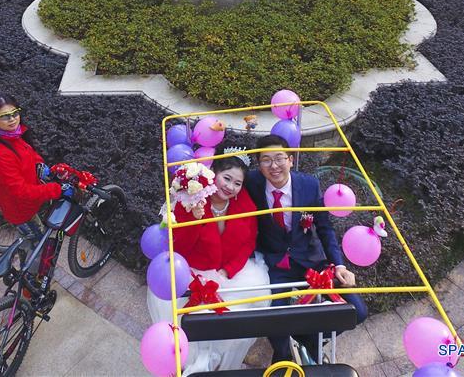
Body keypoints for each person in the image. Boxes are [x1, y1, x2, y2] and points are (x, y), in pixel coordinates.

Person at [244, 135, 367, 363]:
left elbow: (324, 227)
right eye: (266, 160)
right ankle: (282, 355)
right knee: (273, 317)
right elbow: (223, 183)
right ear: (259, 165)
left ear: (291, 160)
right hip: (275, 265)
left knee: (357, 312)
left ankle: (307, 342)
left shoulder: (309, 185)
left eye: (280, 158)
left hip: (311, 260)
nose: (274, 166)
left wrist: (339, 264)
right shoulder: (251, 182)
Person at [148, 153, 271, 373]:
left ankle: (214, 361)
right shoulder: (189, 200)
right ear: (213, 174)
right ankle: (194, 363)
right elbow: (180, 247)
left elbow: (249, 241)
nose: (230, 187)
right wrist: (196, 218)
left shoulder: (244, 203)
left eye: (237, 183)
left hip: (231, 274)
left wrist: (229, 270)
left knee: (232, 320)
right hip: (193, 271)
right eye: (226, 178)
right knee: (194, 324)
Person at [0, 95, 63, 236]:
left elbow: (29, 152)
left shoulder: (12, 135)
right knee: (38, 247)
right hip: (21, 211)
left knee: (27, 242)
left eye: (15, 113)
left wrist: (39, 164)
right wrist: (56, 189)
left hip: (26, 204)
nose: (12, 119)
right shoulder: (1, 153)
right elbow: (20, 192)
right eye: (5, 116)